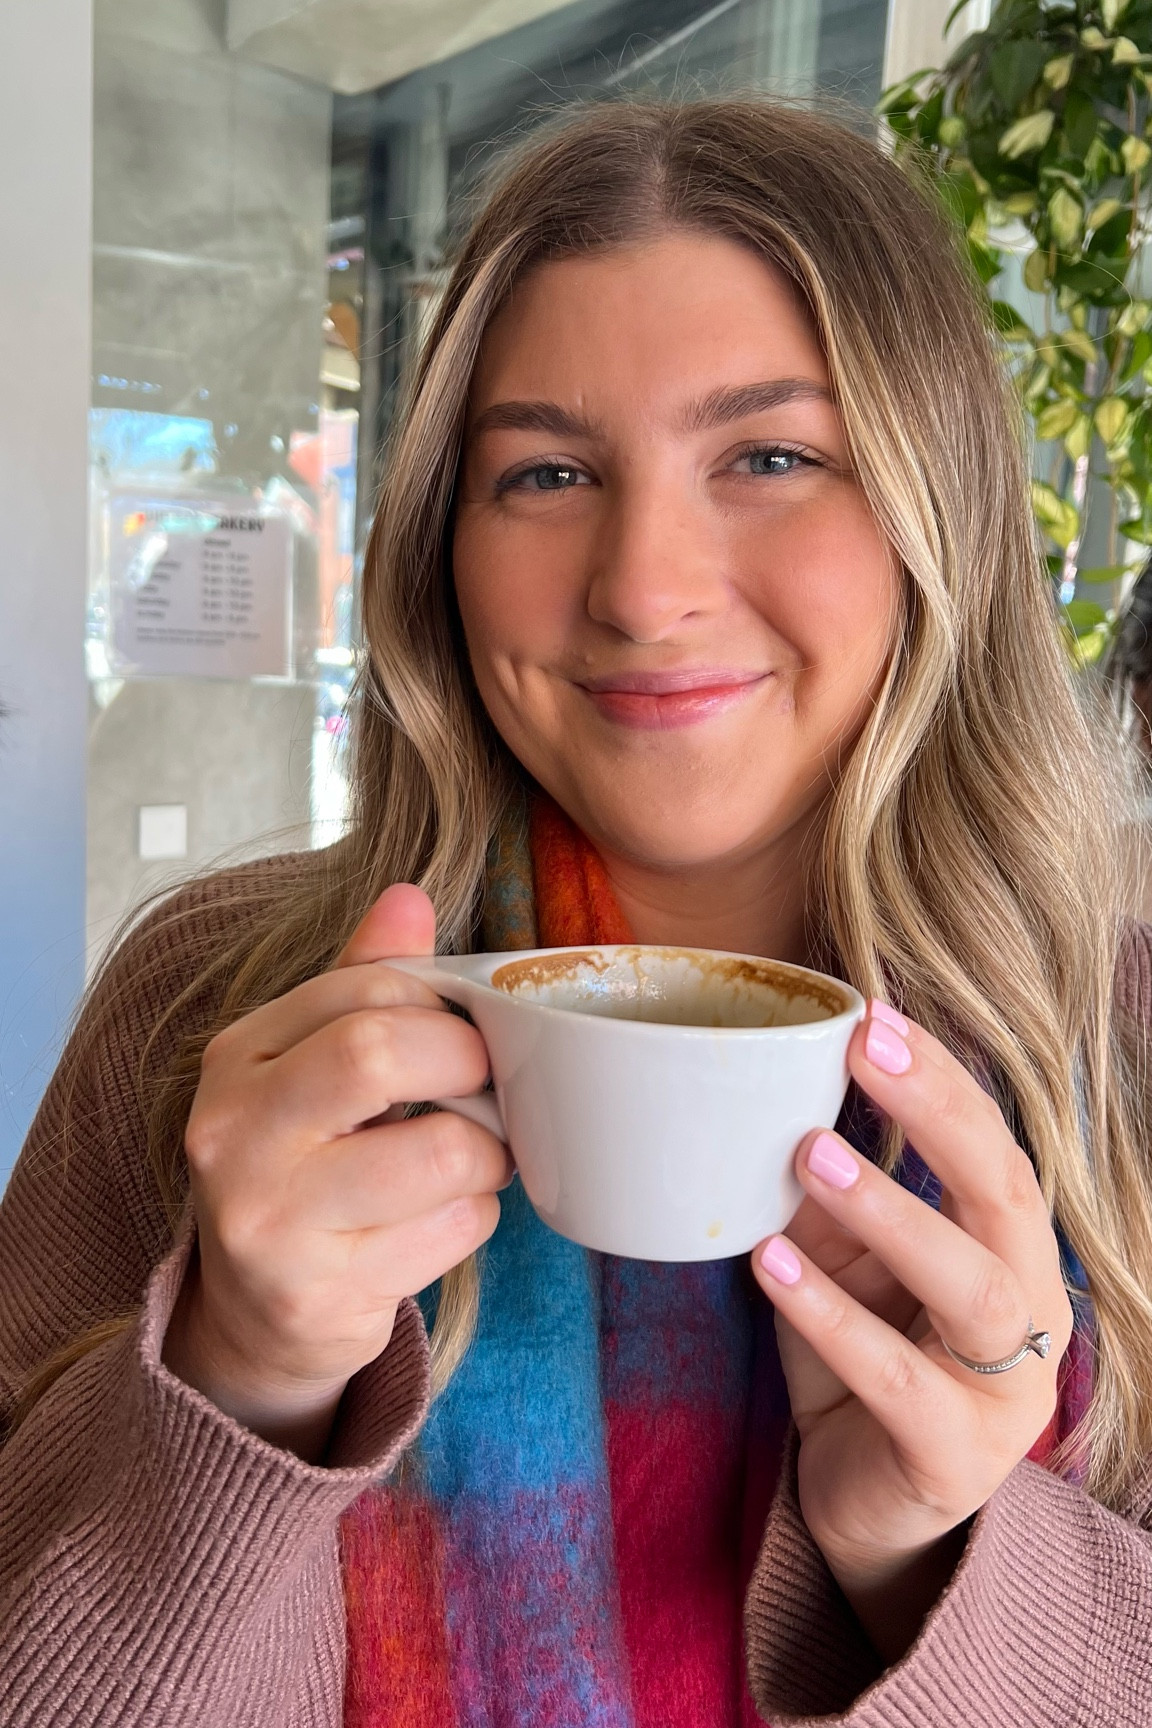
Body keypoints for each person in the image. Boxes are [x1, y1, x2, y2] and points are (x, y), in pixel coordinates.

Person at [2, 97, 1151, 1728]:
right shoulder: (215, 1015)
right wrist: (244, 1383)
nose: (642, 584)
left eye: (768, 456)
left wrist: (933, 1552)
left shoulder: (1120, 1051)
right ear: (441, 548)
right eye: (542, 471)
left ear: (935, 511)